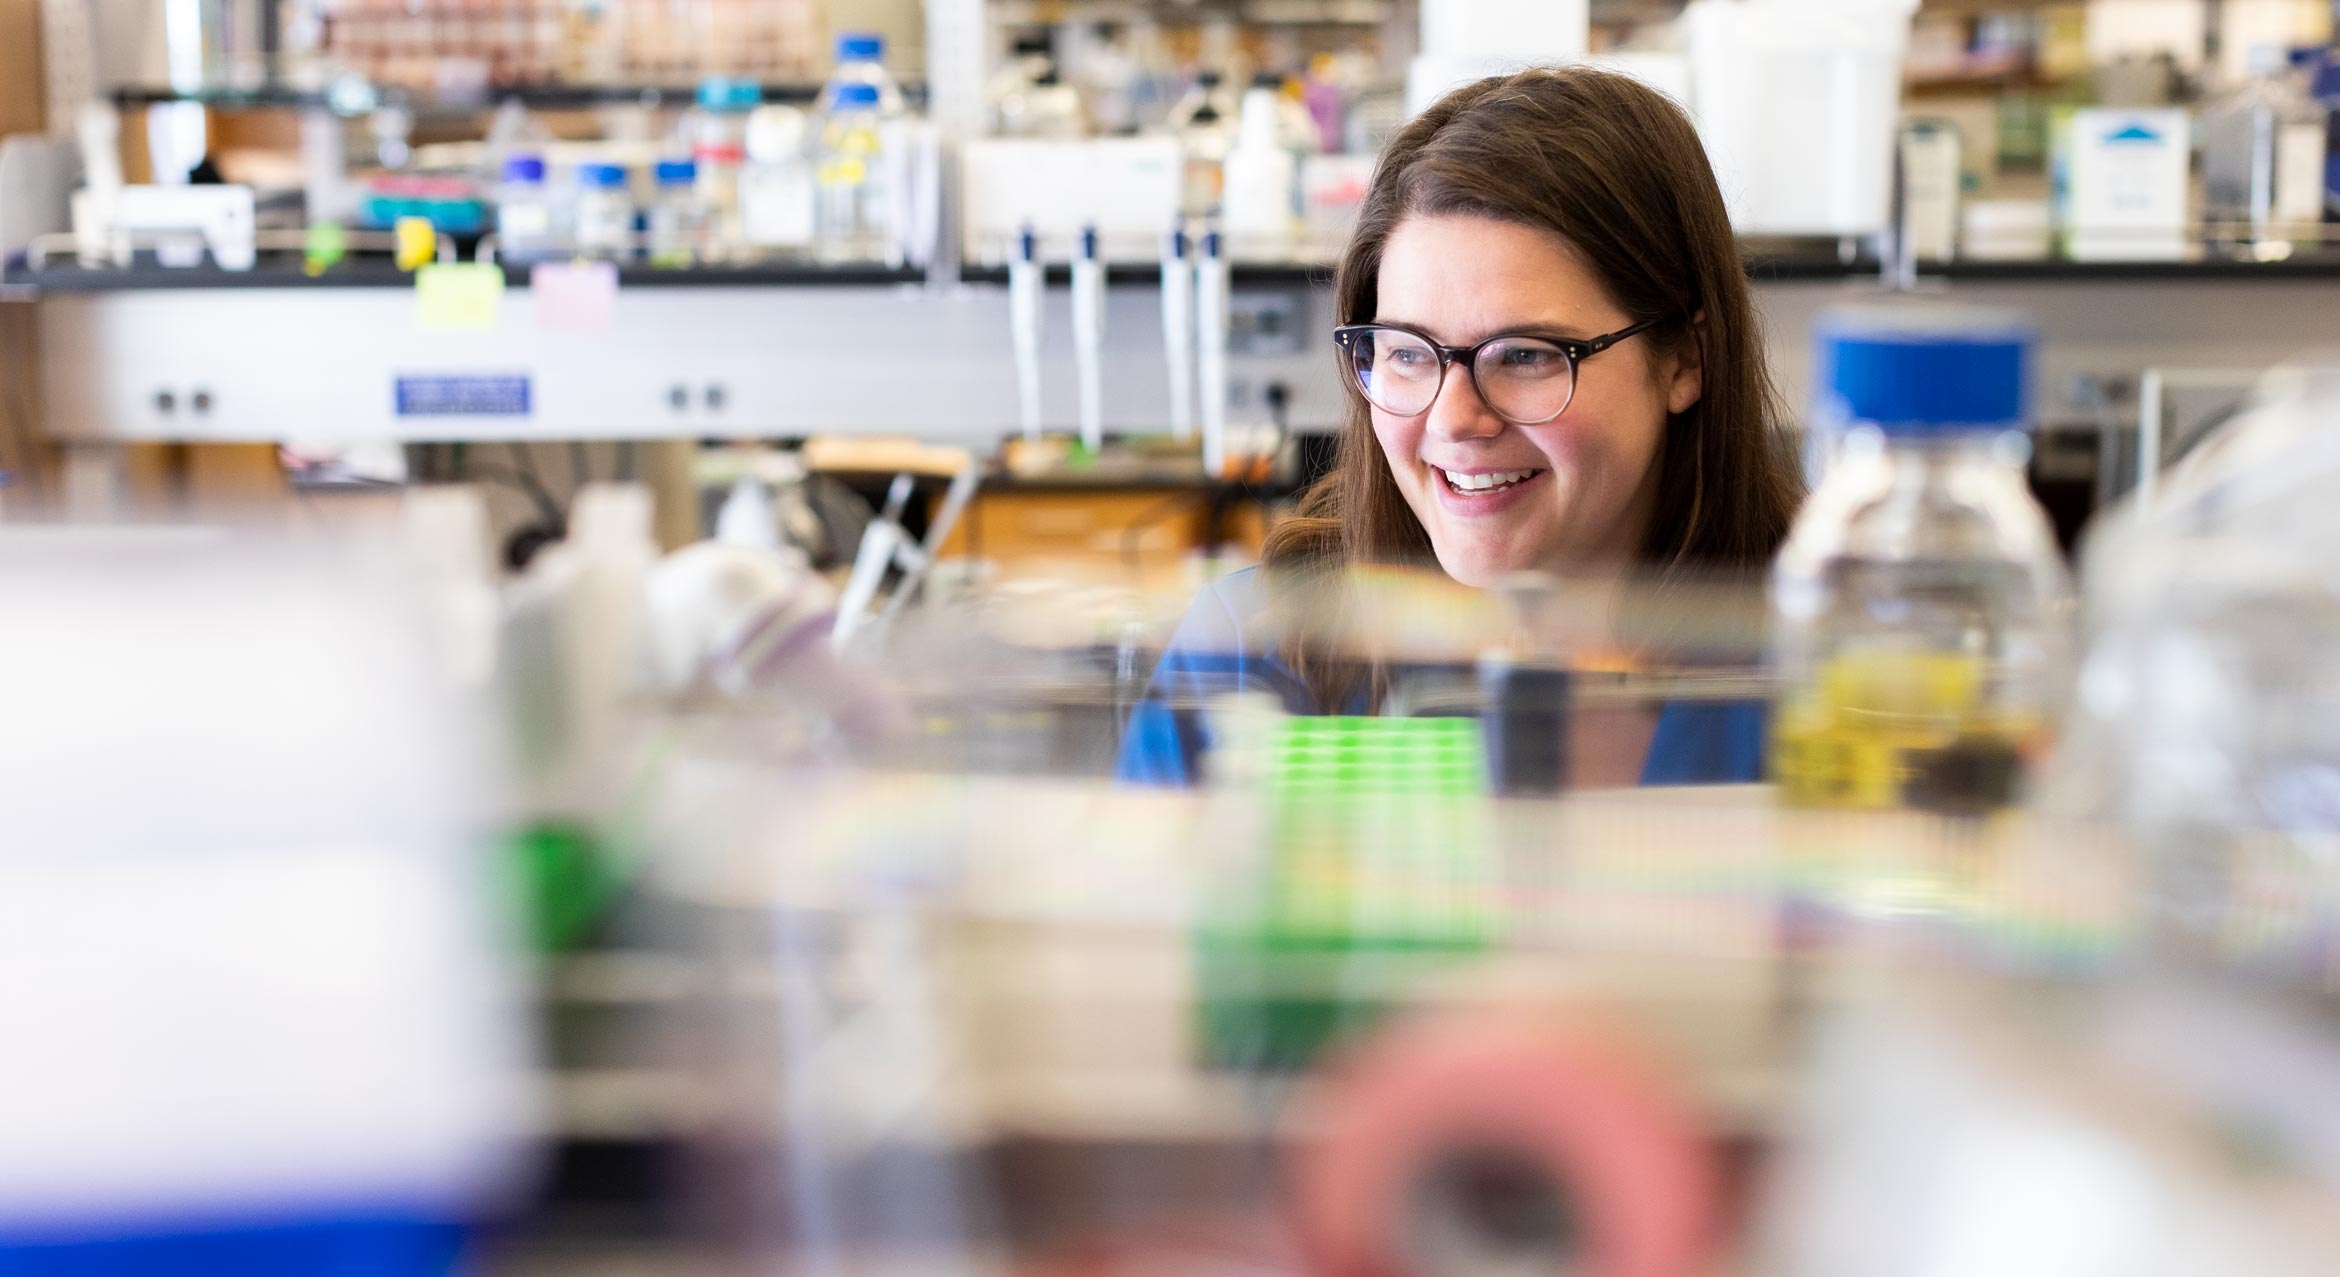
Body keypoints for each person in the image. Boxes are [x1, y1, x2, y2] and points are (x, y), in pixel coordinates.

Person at [1118, 65, 1803, 787]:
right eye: (1409, 353)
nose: (1453, 419)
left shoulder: (1838, 670)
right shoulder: (1256, 652)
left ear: (1684, 361)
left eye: (1526, 356)